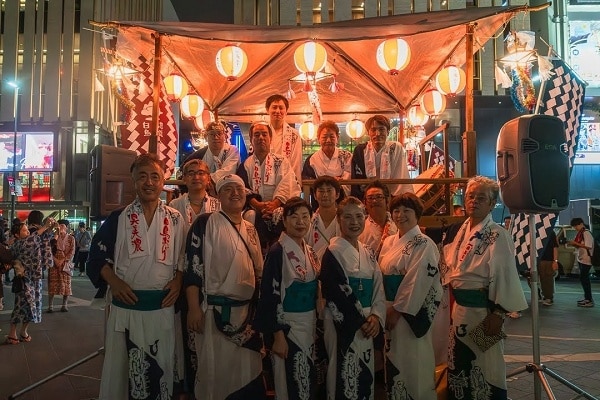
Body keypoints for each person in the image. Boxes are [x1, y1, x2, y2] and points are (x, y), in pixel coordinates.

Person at [87, 153, 186, 400]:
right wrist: (114, 281)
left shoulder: (176, 219)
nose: (149, 182)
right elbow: (96, 257)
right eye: (142, 177)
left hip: (161, 307)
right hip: (126, 308)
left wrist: (178, 280)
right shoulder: (118, 218)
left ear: (163, 181)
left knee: (160, 371)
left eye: (155, 177)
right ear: (133, 181)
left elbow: (183, 259)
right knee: (124, 374)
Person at [441, 176, 527, 400]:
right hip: (458, 309)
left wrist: (499, 313)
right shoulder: (458, 231)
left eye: (481, 198)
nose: (474, 201)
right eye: (471, 196)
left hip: (483, 311)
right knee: (459, 361)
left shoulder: (497, 234)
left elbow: (506, 274)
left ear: (492, 203)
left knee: (485, 365)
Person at [184, 174, 266, 399]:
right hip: (214, 312)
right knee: (216, 373)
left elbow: (259, 271)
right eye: (228, 189)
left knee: (248, 370)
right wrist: (193, 307)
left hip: (247, 314)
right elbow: (193, 267)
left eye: (239, 189)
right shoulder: (205, 222)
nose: (235, 193)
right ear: (218, 195)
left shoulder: (251, 229)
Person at [320, 196, 386, 400]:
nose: (354, 222)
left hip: (368, 321)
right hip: (343, 322)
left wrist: (376, 316)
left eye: (359, 216)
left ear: (365, 218)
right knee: (343, 373)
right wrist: (360, 321)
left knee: (364, 374)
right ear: (339, 219)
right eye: (347, 217)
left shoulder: (368, 251)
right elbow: (335, 291)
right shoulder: (333, 252)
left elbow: (378, 287)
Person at [254, 197, 320, 399]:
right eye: (294, 217)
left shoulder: (309, 251)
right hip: (288, 326)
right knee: (289, 381)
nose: (300, 222)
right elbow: (269, 295)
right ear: (284, 220)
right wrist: (278, 336)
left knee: (305, 379)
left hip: (309, 322)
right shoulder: (277, 251)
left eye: (305, 217)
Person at [378, 193, 442, 399]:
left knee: (413, 358)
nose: (400, 215)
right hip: (388, 307)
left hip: (409, 312)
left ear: (417, 214)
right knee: (394, 357)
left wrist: (397, 310)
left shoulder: (424, 243)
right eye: (396, 211)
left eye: (407, 210)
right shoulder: (389, 241)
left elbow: (418, 281)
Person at [237, 121, 301, 252]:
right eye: (257, 135)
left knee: (281, 215)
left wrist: (275, 204)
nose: (261, 138)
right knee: (250, 216)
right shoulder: (246, 165)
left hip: (278, 205)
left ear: (270, 138)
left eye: (264, 134)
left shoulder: (281, 161)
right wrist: (258, 205)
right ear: (251, 140)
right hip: (254, 207)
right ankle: (255, 253)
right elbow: (243, 188)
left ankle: (279, 252)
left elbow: (286, 183)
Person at [5, 217, 56, 344]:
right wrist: (46, 226)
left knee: (33, 307)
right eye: (24, 230)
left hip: (35, 279)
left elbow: (43, 239)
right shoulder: (19, 244)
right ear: (17, 235)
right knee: (20, 306)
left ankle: (23, 331)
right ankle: (12, 333)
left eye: (27, 229)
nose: (28, 232)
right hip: (24, 279)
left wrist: (49, 228)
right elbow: (33, 239)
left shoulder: (29, 241)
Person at [351, 114, 413, 199]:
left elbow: (401, 175)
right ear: (368, 132)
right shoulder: (360, 150)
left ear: (388, 132)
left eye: (381, 129)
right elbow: (357, 179)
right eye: (373, 130)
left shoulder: (395, 148)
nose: (377, 134)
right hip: (367, 196)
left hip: (391, 195)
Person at [182, 120, 241, 194]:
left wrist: (206, 180)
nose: (216, 137)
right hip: (204, 192)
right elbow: (184, 171)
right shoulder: (199, 154)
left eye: (219, 134)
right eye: (212, 134)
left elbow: (228, 171)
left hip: (229, 191)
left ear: (225, 136)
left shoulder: (232, 150)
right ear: (206, 137)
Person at [302, 120, 352, 196]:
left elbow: (350, 177)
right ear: (318, 139)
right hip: (320, 198)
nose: (328, 140)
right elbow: (307, 180)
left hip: (341, 197)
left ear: (337, 138)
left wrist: (340, 181)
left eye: (332, 137)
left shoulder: (347, 156)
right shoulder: (312, 159)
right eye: (324, 137)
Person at [169, 158, 220, 231]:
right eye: (191, 174)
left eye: (201, 173)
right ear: (184, 178)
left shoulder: (218, 206)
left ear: (208, 178)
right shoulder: (175, 205)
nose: (196, 177)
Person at [266, 94, 303, 181]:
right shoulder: (262, 133)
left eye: (281, 108)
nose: (278, 111)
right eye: (274, 107)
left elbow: (296, 162)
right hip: (266, 178)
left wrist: (291, 181)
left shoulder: (294, 134)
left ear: (286, 111)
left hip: (287, 179)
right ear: (267, 110)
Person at [305, 175, 342, 261]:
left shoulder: (343, 221)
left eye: (329, 191)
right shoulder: (309, 221)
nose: (325, 195)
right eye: (321, 191)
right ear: (315, 195)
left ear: (337, 195)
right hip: (312, 266)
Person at [359, 180, 397, 258]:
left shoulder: (398, 223)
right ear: (364, 203)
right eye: (370, 198)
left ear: (387, 200)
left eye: (379, 197)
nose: (374, 201)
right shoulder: (360, 228)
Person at [47, 220, 75, 312]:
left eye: (63, 225)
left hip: (65, 263)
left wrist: (63, 260)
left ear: (66, 227)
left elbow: (72, 251)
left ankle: (64, 305)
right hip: (54, 262)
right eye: (59, 225)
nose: (61, 227)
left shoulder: (71, 238)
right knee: (52, 283)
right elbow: (48, 249)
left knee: (66, 284)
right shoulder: (53, 237)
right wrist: (55, 259)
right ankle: (50, 306)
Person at [568, 217, 595, 308]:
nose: (575, 228)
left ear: (581, 224)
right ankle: (587, 298)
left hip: (586, 259)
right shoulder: (581, 233)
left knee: (585, 279)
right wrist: (574, 244)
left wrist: (575, 243)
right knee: (583, 279)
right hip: (581, 258)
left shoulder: (586, 233)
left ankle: (589, 300)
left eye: (576, 226)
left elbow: (588, 246)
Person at [28, 210, 53, 280]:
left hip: (39, 255)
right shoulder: (32, 229)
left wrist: (50, 227)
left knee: (38, 278)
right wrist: (46, 226)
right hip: (35, 256)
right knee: (35, 278)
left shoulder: (39, 228)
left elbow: (46, 237)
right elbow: (35, 237)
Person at [539, 229, 559, 306]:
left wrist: (555, 261)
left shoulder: (550, 231)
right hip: (538, 259)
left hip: (547, 259)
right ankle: (542, 295)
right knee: (535, 278)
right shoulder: (534, 230)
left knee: (547, 279)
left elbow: (555, 247)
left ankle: (548, 297)